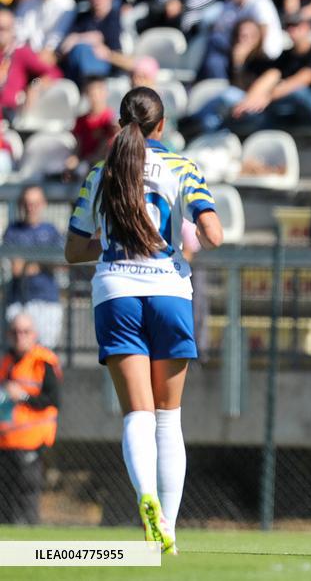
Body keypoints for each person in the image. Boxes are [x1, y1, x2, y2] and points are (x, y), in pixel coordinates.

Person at [64, 87, 223, 553]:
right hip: (169, 292)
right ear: (163, 122)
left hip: (116, 292)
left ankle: (145, 498)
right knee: (168, 418)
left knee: (138, 413)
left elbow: (73, 250)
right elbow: (213, 235)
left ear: (120, 122)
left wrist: (116, 242)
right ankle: (168, 530)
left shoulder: (102, 170)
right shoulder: (182, 167)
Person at [228, 13, 311, 135]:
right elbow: (268, 76)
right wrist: (239, 64)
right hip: (293, 112)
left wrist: (267, 97)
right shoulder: (285, 56)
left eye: (296, 25)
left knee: (297, 91)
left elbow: (301, 80)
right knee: (261, 117)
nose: (291, 30)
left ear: (307, 28)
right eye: (288, 26)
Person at [0, 313, 61, 525]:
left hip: (31, 442)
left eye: (25, 332)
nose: (20, 337)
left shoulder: (43, 361)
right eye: (15, 332)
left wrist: (23, 396)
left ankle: (29, 551)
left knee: (26, 498)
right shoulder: (6, 360)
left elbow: (53, 400)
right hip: (5, 441)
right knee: (5, 501)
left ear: (34, 334)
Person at [3, 186, 63, 349]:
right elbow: (15, 268)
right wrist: (44, 263)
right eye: (28, 203)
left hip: (47, 300)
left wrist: (29, 263)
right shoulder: (13, 231)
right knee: (19, 353)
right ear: (22, 205)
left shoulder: (51, 231)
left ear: (43, 204)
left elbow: (62, 264)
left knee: (45, 353)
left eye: (35, 203)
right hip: (19, 300)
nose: (31, 208)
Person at [198, 0, 282, 80]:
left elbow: (263, 33)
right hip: (240, 55)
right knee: (214, 42)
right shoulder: (228, 6)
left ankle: (220, 87)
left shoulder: (260, 2)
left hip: (263, 58)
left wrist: (242, 53)